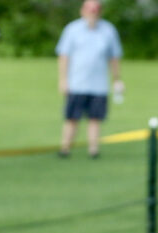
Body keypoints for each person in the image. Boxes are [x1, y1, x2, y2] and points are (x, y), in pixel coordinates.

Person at [55, 0, 123, 158]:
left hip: (99, 85)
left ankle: (94, 150)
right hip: (77, 83)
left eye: (95, 11)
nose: (92, 15)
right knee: (72, 118)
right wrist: (63, 80)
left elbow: (114, 57)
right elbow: (64, 56)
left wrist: (117, 79)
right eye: (90, 11)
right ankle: (65, 148)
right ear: (83, 11)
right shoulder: (72, 29)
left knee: (95, 118)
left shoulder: (108, 30)